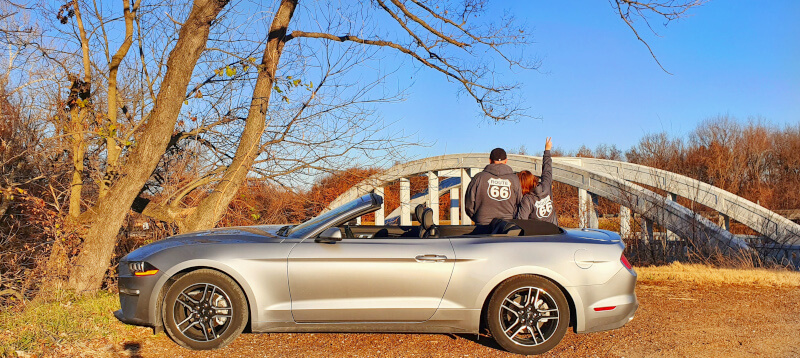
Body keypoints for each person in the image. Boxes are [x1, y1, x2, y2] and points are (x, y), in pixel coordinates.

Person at [464, 148, 523, 225]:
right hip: (506, 225)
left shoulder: (479, 178)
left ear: (490, 160)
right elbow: (519, 203)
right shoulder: (514, 179)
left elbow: (469, 204)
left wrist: (477, 217)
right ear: (506, 161)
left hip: (483, 224)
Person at [517, 137, 558, 225]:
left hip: (536, 234)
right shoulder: (546, 186)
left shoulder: (527, 200)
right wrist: (547, 150)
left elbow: (521, 223)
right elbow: (547, 169)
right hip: (554, 231)